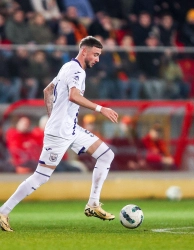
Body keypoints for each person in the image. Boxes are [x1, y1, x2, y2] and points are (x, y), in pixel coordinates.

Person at [0, 36, 119, 232]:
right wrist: (100, 109)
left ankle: (93, 204)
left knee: (106, 154)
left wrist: (52, 117)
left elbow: (48, 91)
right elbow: (74, 95)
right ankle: (3, 211)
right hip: (60, 133)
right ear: (84, 52)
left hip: (69, 128)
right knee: (41, 177)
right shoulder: (76, 71)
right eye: (95, 54)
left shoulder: (67, 66)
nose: (97, 59)